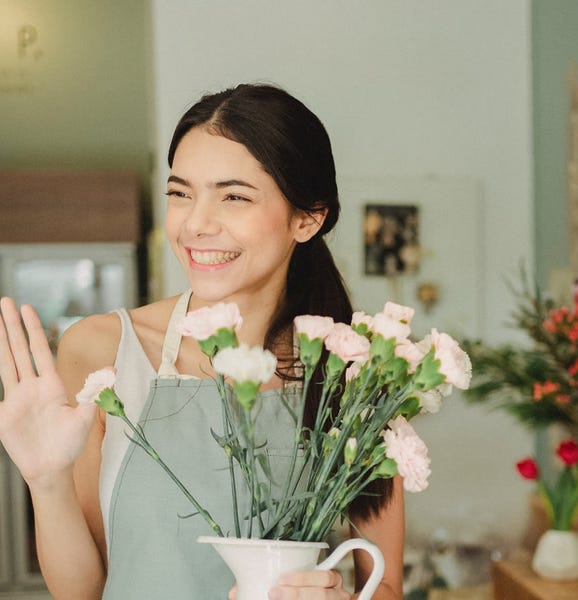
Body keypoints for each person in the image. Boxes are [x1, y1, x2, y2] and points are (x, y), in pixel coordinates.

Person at [0, 83, 404, 600]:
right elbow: (83, 590)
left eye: (234, 196)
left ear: (307, 218)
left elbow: (385, 583)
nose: (195, 224)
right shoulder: (103, 349)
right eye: (180, 192)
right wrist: (45, 480)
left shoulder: (355, 375)